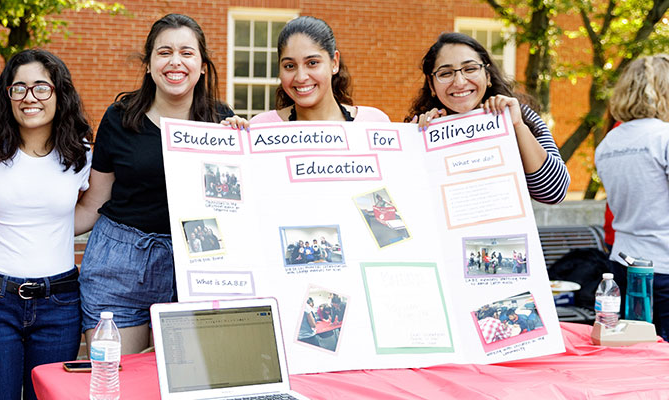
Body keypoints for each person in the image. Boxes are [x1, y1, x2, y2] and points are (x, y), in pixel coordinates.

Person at [74, 14, 241, 355]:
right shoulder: (120, 118)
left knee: (189, 383)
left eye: (186, 52)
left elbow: (237, 206)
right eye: (164, 52)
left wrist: (243, 149)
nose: (175, 61)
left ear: (202, 66)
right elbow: (93, 204)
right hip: (119, 265)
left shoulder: (223, 123)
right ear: (149, 65)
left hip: (198, 265)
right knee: (118, 380)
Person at [0, 48, 92, 400]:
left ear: (59, 93)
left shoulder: (81, 155)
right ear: (8, 95)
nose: (29, 97)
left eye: (41, 87)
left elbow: (92, 208)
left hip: (59, 304)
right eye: (18, 88)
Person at [409, 32, 570, 204]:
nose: (460, 82)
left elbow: (554, 192)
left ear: (487, 76)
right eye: (446, 73)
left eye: (470, 69)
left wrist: (517, 125)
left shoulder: (519, 116)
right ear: (431, 83)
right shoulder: (421, 128)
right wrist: (413, 144)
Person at [595, 54, 669, 341]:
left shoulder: (609, 142)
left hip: (623, 263)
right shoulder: (663, 136)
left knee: (637, 355)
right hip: (663, 264)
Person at [249, 16, 390, 124]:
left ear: (334, 63)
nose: (301, 77)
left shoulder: (375, 122)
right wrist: (232, 138)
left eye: (312, 63)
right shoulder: (260, 127)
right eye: (289, 66)